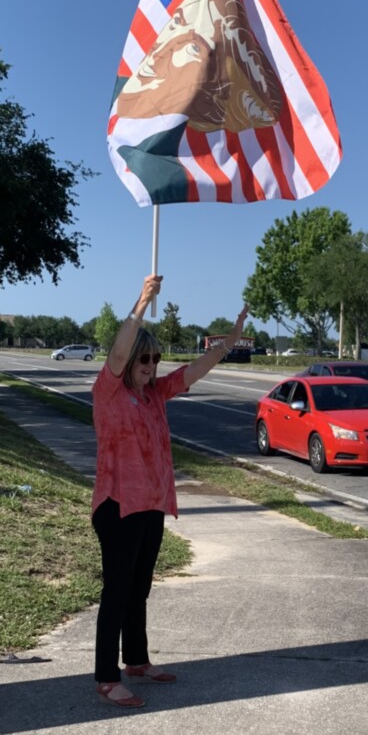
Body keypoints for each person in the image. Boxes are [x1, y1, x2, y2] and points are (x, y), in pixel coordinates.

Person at [91, 273, 248, 708]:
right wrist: (141, 302)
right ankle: (106, 676)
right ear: (128, 361)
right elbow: (120, 350)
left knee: (139, 587)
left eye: (155, 359)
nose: (151, 366)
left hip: (151, 504)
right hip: (118, 505)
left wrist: (229, 342)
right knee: (117, 591)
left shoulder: (155, 394)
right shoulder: (108, 392)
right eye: (144, 359)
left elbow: (194, 371)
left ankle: (136, 660)